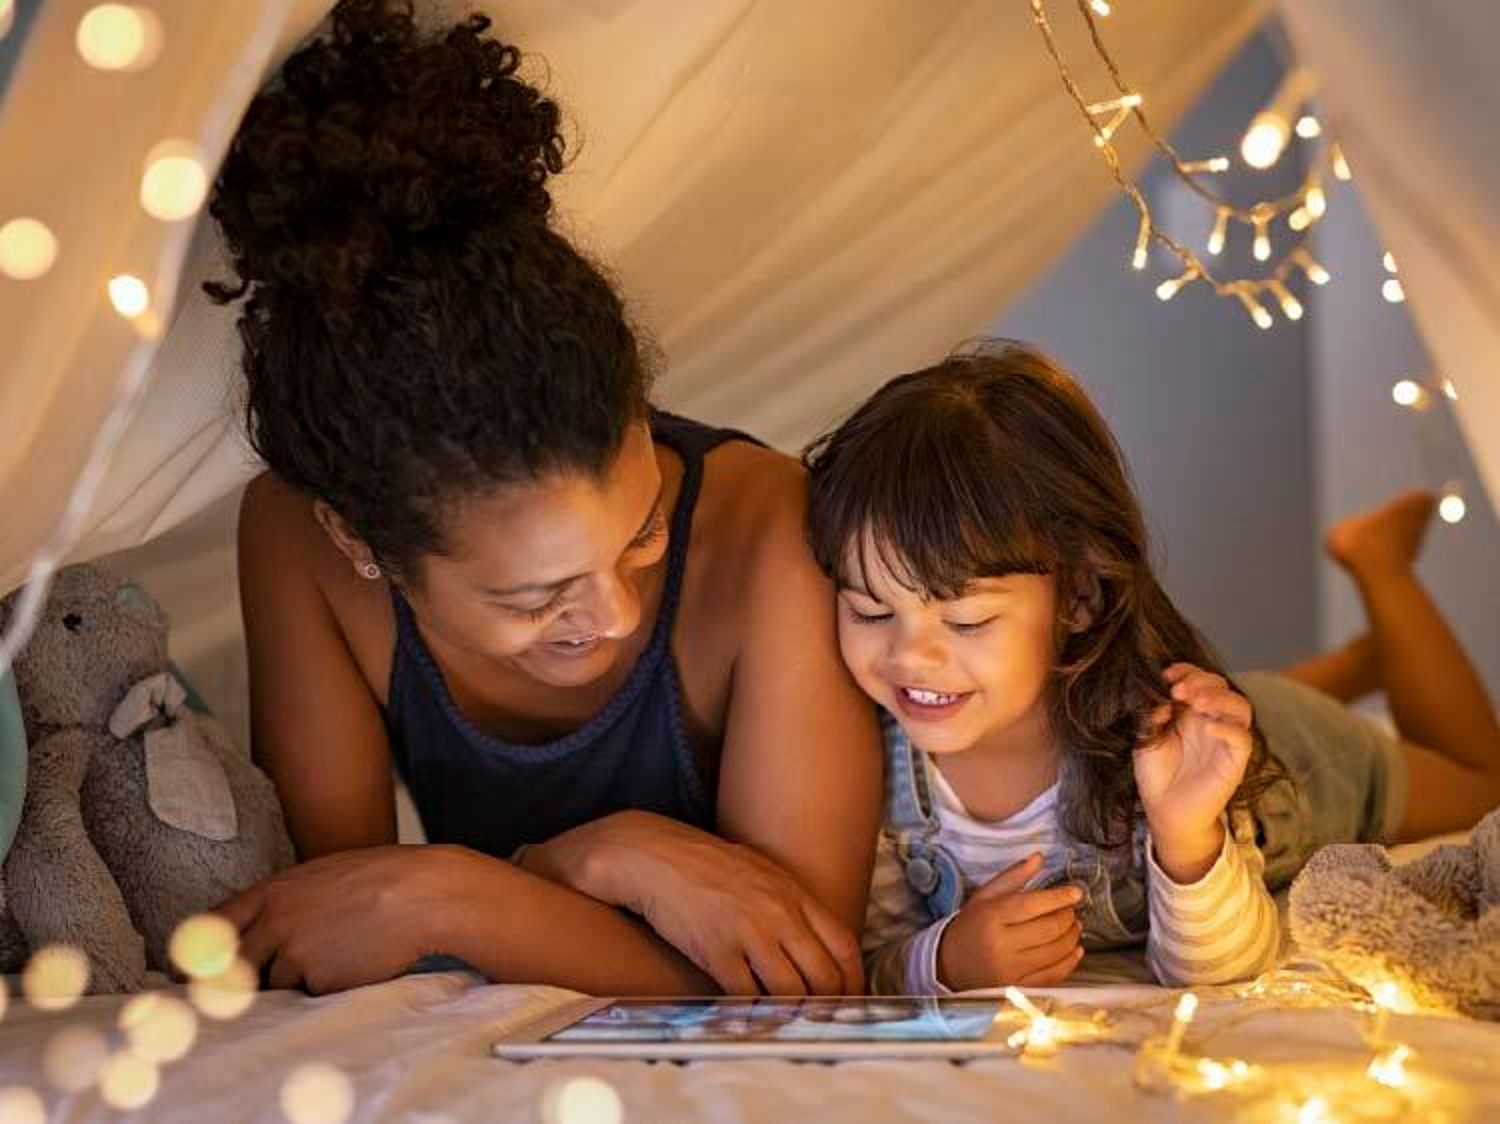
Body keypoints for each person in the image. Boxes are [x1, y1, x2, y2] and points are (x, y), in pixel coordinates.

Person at [209, 0, 881, 997]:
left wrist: (514, 875)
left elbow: (806, 981)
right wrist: (487, 888)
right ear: (365, 544)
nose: (611, 613)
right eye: (533, 596)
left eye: (645, 531)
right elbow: (336, 925)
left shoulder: (771, 527)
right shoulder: (291, 539)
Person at [801, 340, 1500, 993]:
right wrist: (943, 959)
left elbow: (1226, 966)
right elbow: (869, 956)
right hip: (1190, 702)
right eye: (868, 610)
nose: (909, 655)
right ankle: (1360, 663)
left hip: (1291, 760)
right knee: (1231, 696)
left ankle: (1380, 568)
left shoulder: (1158, 750)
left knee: (1483, 785)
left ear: (1077, 595)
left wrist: (1187, 835)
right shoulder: (865, 764)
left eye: (967, 621)